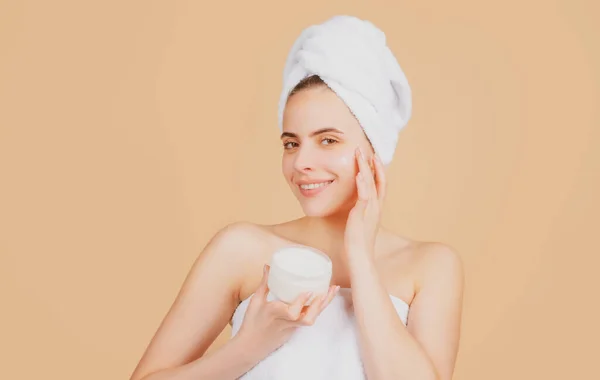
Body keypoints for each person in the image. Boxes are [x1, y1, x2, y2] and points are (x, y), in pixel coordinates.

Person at [129, 15, 464, 380]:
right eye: (291, 143)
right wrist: (248, 348)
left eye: (328, 140)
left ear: (374, 148)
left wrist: (360, 258)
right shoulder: (240, 250)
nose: (301, 162)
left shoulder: (430, 268)